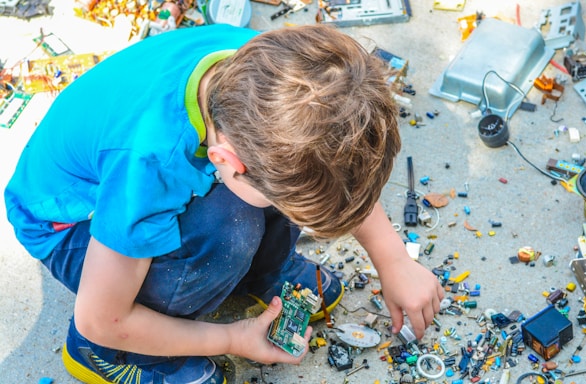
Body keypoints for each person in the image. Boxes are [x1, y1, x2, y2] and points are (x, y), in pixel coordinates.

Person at [4, 23, 444, 383]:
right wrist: (231, 339)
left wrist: (393, 260)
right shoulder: (148, 165)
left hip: (141, 182)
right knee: (230, 227)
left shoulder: (274, 71)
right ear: (224, 162)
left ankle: (259, 274)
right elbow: (100, 316)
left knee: (271, 193)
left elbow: (334, 165)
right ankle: (111, 356)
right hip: (74, 226)